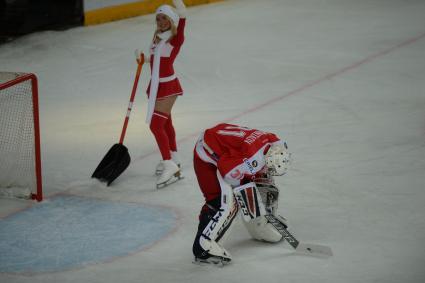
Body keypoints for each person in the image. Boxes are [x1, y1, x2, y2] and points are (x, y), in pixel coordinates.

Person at [192, 123, 292, 265]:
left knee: (264, 182)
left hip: (233, 152)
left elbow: (259, 160)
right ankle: (203, 248)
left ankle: (260, 225)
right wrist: (247, 192)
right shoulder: (253, 159)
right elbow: (228, 173)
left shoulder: (276, 144)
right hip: (207, 154)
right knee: (223, 201)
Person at [136, 0, 186, 188]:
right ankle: (175, 159)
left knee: (156, 126)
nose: (160, 21)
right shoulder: (157, 37)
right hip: (156, 86)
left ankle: (168, 164)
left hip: (168, 87)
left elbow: (181, 30)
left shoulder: (175, 38)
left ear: (172, 20)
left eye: (164, 18)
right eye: (158, 18)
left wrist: (182, 14)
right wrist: (144, 58)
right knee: (166, 124)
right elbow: (157, 60)